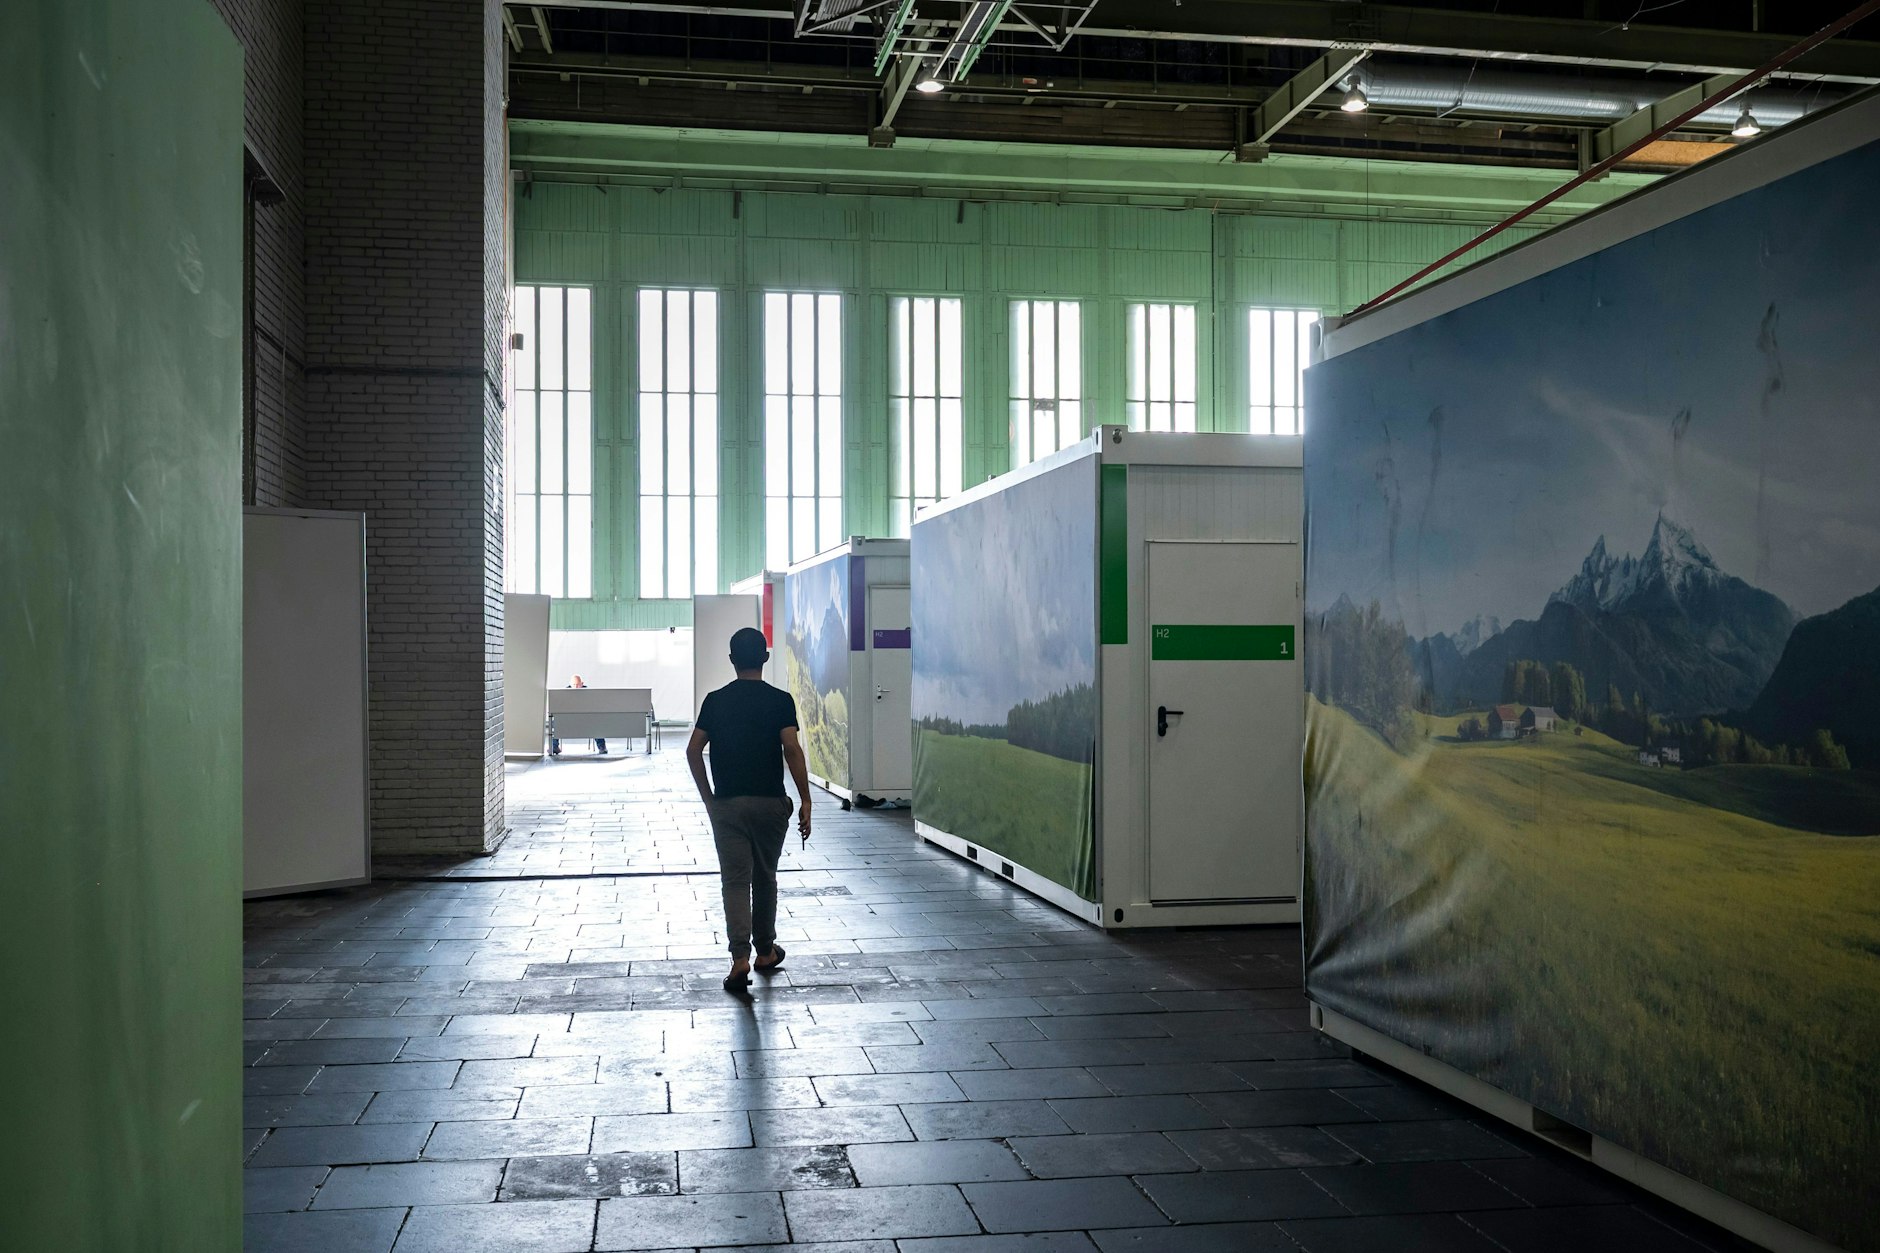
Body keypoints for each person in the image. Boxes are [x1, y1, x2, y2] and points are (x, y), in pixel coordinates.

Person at [685, 627, 812, 992]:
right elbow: (791, 749)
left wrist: (709, 797)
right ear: (765, 658)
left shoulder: (715, 700)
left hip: (728, 804)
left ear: (731, 659)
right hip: (770, 803)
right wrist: (804, 799)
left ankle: (739, 958)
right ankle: (766, 951)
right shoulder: (780, 700)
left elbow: (694, 750)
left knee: (735, 881)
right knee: (765, 877)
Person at [549, 674, 606, 757]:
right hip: (569, 719)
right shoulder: (564, 693)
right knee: (556, 723)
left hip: (586, 719)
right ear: (570, 684)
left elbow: (594, 706)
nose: (575, 687)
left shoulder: (589, 693)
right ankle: (554, 747)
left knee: (596, 724)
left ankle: (602, 747)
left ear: (582, 683)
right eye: (574, 685)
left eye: (577, 685)